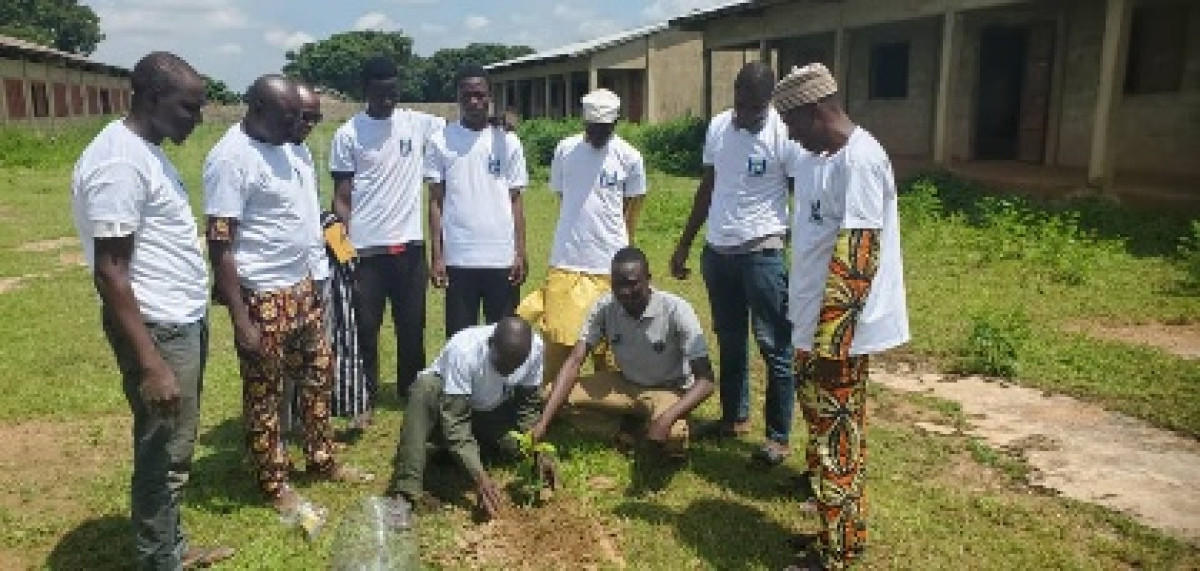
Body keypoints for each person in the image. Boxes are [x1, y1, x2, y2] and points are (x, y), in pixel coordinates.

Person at [71, 51, 234, 569]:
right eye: (188, 108)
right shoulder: (119, 161)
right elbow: (110, 271)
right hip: (158, 329)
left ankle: (171, 548)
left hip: (178, 320)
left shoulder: (146, 150)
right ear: (150, 97)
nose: (197, 118)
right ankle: (158, 560)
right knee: (162, 454)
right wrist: (151, 362)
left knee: (176, 447)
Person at [205, 74, 372, 533]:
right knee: (265, 395)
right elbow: (220, 243)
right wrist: (240, 317)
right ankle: (274, 482)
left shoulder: (291, 147)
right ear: (257, 109)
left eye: (301, 118)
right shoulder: (230, 159)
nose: (298, 125)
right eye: (288, 117)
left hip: (303, 288)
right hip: (262, 296)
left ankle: (321, 459)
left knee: (319, 376)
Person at [773, 63, 910, 571]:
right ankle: (830, 531)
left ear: (815, 112)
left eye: (793, 125)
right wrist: (802, 332)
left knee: (839, 446)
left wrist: (829, 344)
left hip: (841, 336)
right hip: (810, 325)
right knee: (820, 437)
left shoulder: (862, 160)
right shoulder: (815, 160)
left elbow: (857, 261)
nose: (790, 136)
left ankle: (841, 553)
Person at [669, 61, 798, 465]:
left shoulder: (783, 133)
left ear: (768, 102)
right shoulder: (720, 127)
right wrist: (685, 243)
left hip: (761, 255)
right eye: (739, 103)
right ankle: (734, 418)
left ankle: (778, 437)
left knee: (774, 345)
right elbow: (708, 186)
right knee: (729, 338)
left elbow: (800, 188)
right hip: (718, 253)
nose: (743, 114)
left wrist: (793, 237)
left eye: (753, 108)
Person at [330, 56, 446, 412]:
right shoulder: (348, 133)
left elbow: (461, 126)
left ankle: (411, 392)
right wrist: (341, 252)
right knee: (364, 328)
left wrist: (496, 122)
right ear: (366, 90)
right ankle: (363, 396)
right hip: (365, 253)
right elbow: (340, 198)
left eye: (394, 92)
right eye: (381, 93)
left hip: (409, 249)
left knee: (412, 327)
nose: (388, 100)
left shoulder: (417, 123)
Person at [530, 247, 715, 459]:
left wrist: (665, 420)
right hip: (625, 384)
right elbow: (575, 361)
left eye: (633, 283)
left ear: (648, 279)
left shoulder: (676, 310)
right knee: (551, 397)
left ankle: (658, 423)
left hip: (668, 389)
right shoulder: (605, 307)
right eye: (619, 285)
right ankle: (625, 430)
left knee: (672, 436)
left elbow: (706, 381)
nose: (625, 292)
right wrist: (544, 422)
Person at [516, 88, 646, 385]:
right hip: (568, 259)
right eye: (592, 128)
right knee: (560, 339)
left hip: (609, 265)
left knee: (612, 348)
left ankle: (615, 406)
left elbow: (631, 212)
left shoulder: (629, 157)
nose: (597, 134)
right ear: (583, 122)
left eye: (604, 129)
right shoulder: (565, 150)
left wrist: (621, 255)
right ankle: (549, 401)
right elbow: (565, 198)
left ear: (615, 123)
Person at [385, 316, 553, 521]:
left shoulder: (534, 349)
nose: (509, 371)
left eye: (516, 366)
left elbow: (528, 409)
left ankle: (453, 455)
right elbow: (455, 423)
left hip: (490, 411)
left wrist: (535, 451)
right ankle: (405, 491)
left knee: (512, 447)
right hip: (447, 410)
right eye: (503, 364)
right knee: (424, 389)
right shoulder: (464, 350)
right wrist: (479, 478)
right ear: (490, 344)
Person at [427, 66, 529, 339]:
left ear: (490, 97)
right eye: (467, 95)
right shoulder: (440, 141)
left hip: (501, 257)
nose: (474, 101)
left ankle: (504, 384)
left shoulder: (508, 140)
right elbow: (435, 201)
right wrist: (438, 255)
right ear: (458, 98)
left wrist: (520, 251)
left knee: (505, 338)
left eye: (480, 95)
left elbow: (516, 199)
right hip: (459, 259)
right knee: (461, 340)